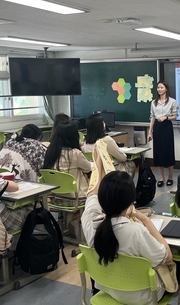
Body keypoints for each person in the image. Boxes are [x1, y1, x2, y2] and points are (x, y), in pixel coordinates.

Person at [82, 171, 172, 304]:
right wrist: (145, 220)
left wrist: (98, 167)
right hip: (142, 297)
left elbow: (91, 197)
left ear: (101, 199)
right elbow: (167, 257)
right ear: (131, 200)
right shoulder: (136, 231)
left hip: (109, 289)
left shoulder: (91, 224)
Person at [43, 121, 92, 199]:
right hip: (75, 197)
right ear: (74, 136)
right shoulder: (75, 153)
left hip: (54, 196)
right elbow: (88, 168)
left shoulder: (50, 151)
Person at [82, 113, 136, 179]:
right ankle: (127, 187)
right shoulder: (106, 140)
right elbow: (122, 157)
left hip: (94, 172)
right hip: (110, 171)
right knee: (132, 164)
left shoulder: (85, 141)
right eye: (103, 122)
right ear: (100, 125)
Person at [148, 81, 179, 187]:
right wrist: (149, 132)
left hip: (166, 127)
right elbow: (152, 118)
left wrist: (165, 117)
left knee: (168, 152)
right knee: (158, 153)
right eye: (158, 87)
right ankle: (162, 177)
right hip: (157, 128)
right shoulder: (154, 102)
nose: (159, 89)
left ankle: (170, 177)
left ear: (166, 89)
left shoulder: (172, 101)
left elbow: (175, 116)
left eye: (162, 87)